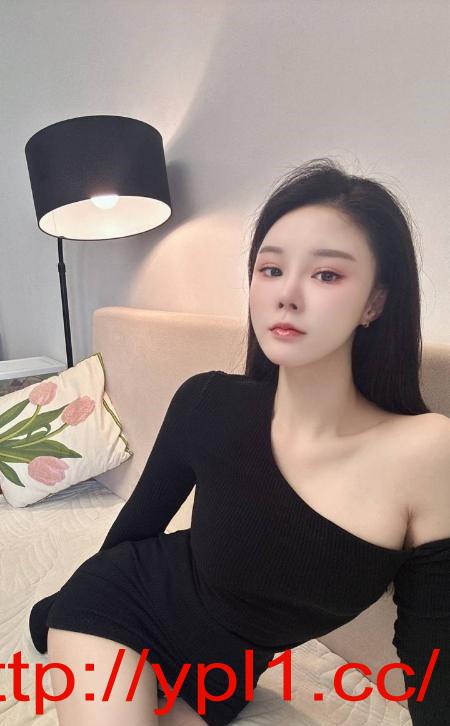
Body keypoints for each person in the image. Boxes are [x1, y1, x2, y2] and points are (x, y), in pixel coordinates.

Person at [29, 158, 450, 725]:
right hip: (118, 606)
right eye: (270, 269)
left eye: (327, 275)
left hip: (221, 680)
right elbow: (135, 530)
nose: (287, 294)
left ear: (375, 302)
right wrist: (62, 617)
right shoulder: (210, 402)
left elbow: (433, 654)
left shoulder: (427, 453)